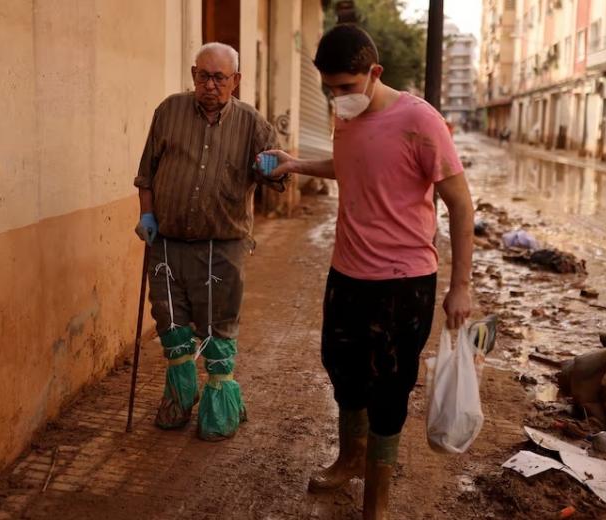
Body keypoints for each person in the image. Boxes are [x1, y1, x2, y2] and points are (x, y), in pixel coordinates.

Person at [267, 25, 474, 519]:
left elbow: (461, 206)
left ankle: (376, 501)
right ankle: (348, 460)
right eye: (330, 88)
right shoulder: (347, 116)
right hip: (347, 277)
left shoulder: (420, 121)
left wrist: (461, 286)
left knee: (389, 389)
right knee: (343, 373)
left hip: (404, 286)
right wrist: (294, 164)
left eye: (345, 86)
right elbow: (352, 166)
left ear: (374, 72)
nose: (338, 97)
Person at [133, 42, 287, 441]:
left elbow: (279, 175)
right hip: (167, 243)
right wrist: (146, 214)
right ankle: (179, 399)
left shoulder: (253, 123)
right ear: (193, 75)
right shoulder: (168, 111)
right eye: (204, 75)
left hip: (224, 247)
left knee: (219, 330)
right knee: (171, 324)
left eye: (220, 77)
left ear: (235, 81)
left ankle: (220, 408)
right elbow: (146, 174)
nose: (211, 85)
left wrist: (271, 169)